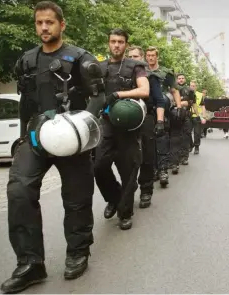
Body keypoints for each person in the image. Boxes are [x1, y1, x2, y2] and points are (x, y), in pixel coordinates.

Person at [2, 1, 107, 292]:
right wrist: (24, 134)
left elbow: (99, 97)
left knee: (76, 198)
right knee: (19, 190)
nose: (44, 28)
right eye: (39, 23)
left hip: (72, 139)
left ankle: (78, 251)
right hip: (37, 136)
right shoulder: (27, 60)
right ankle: (30, 264)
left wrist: (80, 126)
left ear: (62, 25)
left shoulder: (80, 59)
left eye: (50, 22)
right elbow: (26, 100)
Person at [94, 29, 149, 230]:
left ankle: (125, 213)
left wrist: (119, 94)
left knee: (129, 170)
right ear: (108, 43)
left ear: (126, 44)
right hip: (106, 123)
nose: (116, 45)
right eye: (113, 41)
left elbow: (144, 90)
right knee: (98, 166)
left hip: (129, 123)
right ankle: (114, 198)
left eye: (120, 42)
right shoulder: (99, 68)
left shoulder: (136, 67)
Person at [144, 46, 182, 188]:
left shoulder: (165, 73)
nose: (150, 58)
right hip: (146, 109)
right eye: (148, 55)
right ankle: (154, 169)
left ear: (157, 56)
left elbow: (174, 91)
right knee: (149, 142)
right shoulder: (142, 71)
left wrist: (178, 108)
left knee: (161, 139)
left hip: (163, 109)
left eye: (153, 55)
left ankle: (163, 170)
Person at [190, 80, 206, 154]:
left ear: (196, 87)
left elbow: (203, 106)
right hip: (188, 115)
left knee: (197, 133)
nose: (192, 87)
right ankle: (190, 144)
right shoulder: (187, 93)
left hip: (197, 116)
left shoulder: (200, 95)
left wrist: (204, 116)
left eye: (194, 86)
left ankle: (196, 147)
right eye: (191, 86)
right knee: (187, 132)